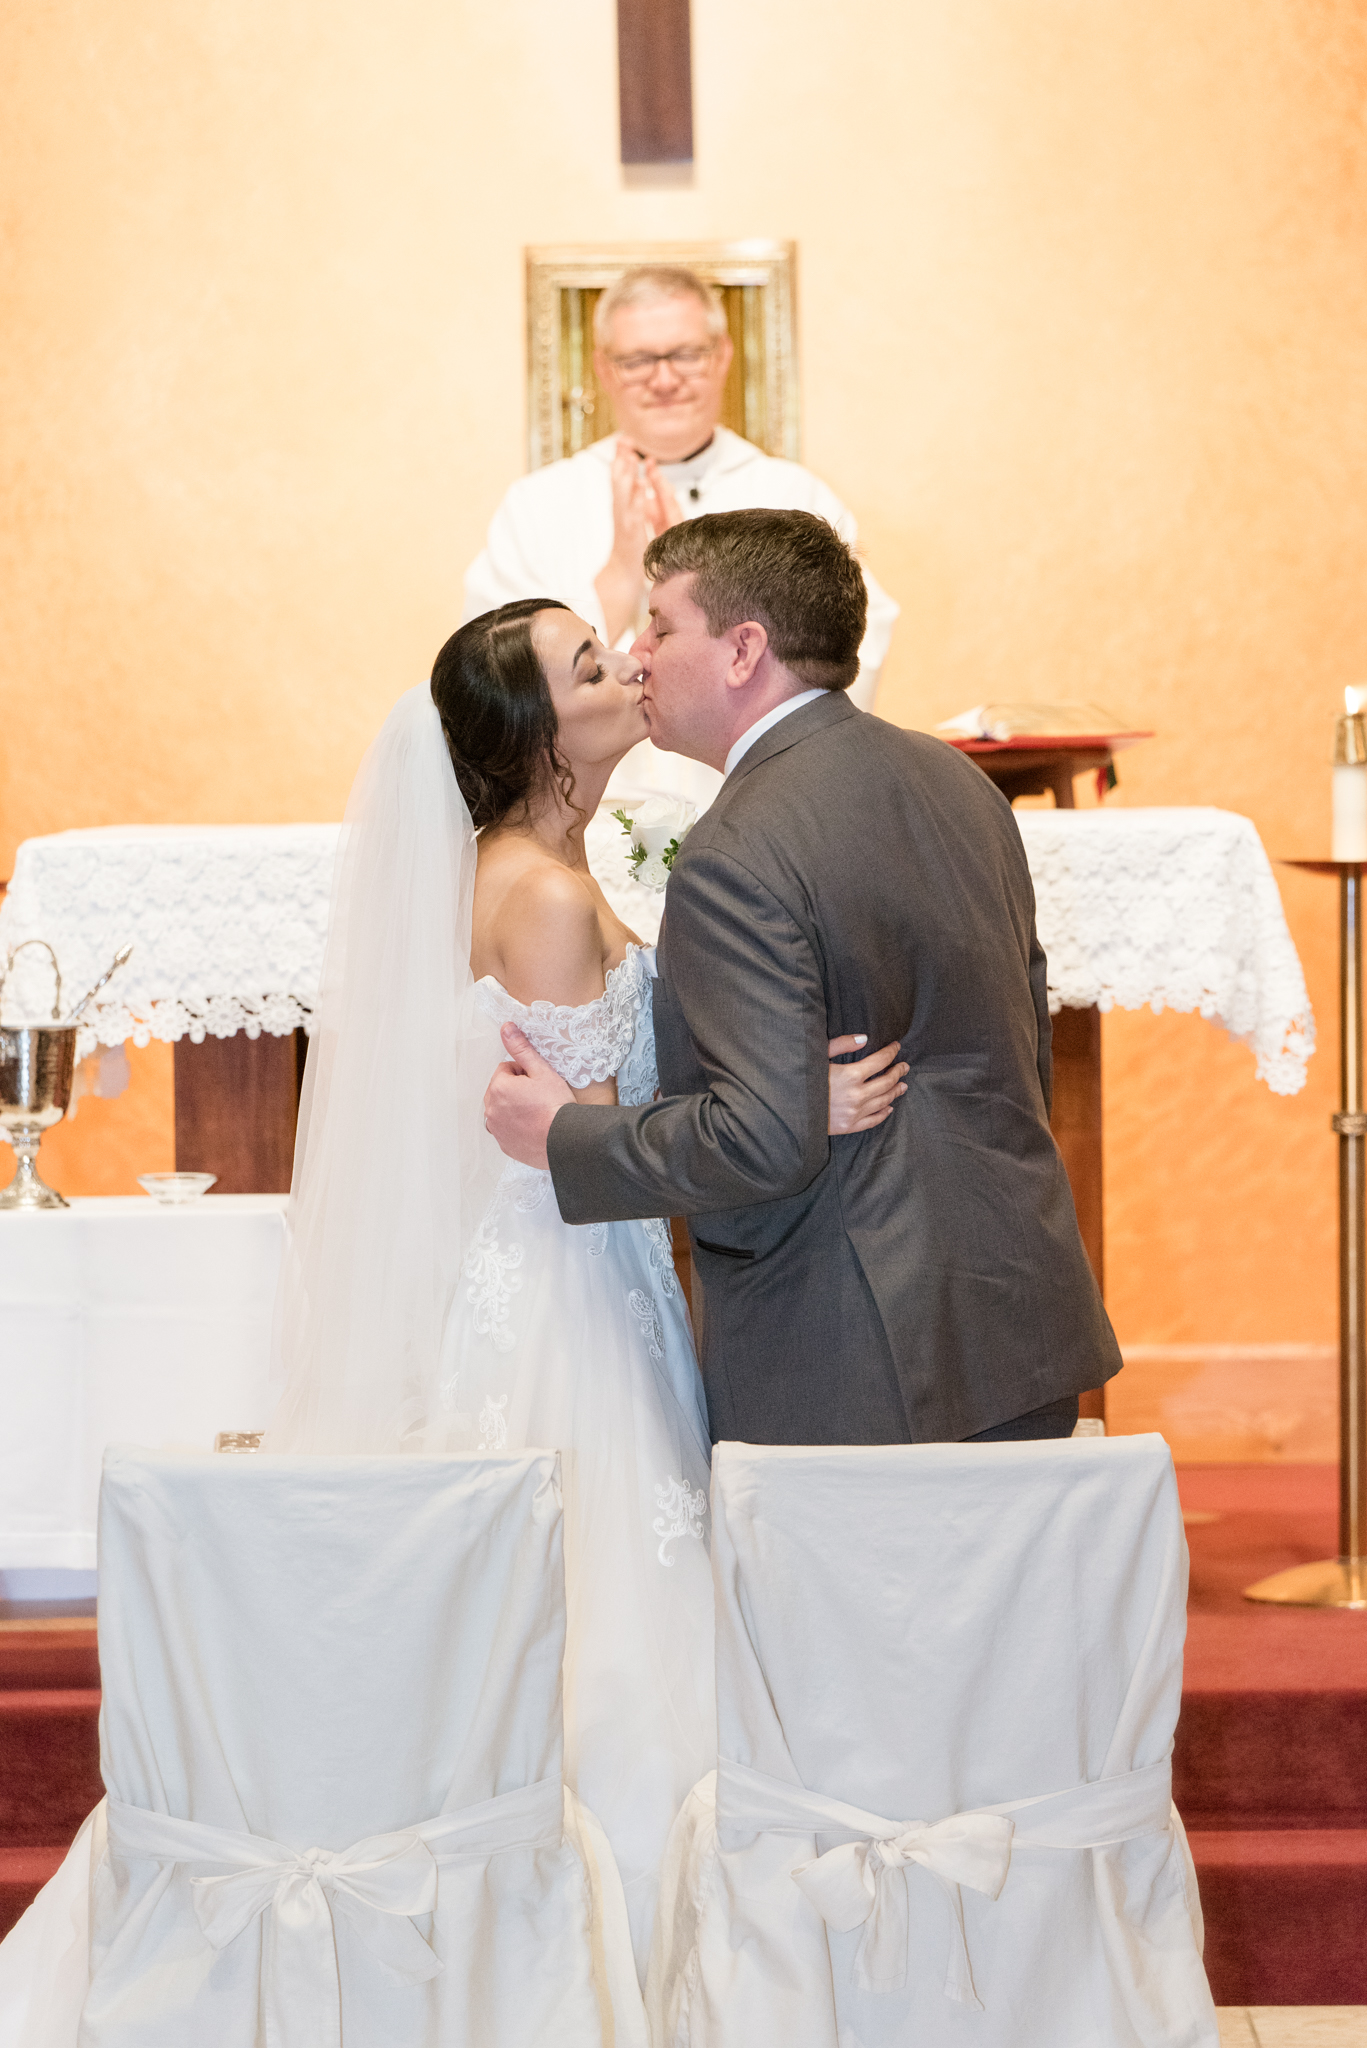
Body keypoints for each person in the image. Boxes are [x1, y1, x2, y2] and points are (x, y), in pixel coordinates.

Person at [263, 600, 905, 1977]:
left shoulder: (545, 863)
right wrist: (803, 1111)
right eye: (590, 665)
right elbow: (594, 1135)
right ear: (539, 731)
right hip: (562, 1280)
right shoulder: (545, 896)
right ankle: (600, 1928)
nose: (623, 668)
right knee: (602, 1586)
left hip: (573, 1259)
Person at [484, 510, 1124, 1447]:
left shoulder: (737, 848)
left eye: (660, 626)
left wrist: (566, 1139)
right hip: (1019, 1309)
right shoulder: (955, 782)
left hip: (852, 1340)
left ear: (744, 650)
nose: (638, 653)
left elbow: (762, 1143)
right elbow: (1019, 1045)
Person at [462, 263, 899, 809]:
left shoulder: (790, 495)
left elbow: (850, 644)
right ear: (603, 367)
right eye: (638, 360)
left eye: (686, 355)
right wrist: (614, 591)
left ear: (722, 356)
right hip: (591, 814)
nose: (664, 380)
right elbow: (493, 674)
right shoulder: (538, 504)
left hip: (761, 803)